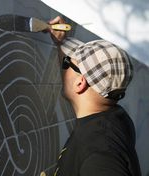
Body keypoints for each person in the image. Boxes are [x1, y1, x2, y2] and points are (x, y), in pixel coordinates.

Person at [47, 16, 141, 176]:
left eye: (67, 63)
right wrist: (61, 42)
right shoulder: (115, 117)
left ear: (80, 83)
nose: (64, 66)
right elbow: (74, 73)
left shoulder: (100, 153)